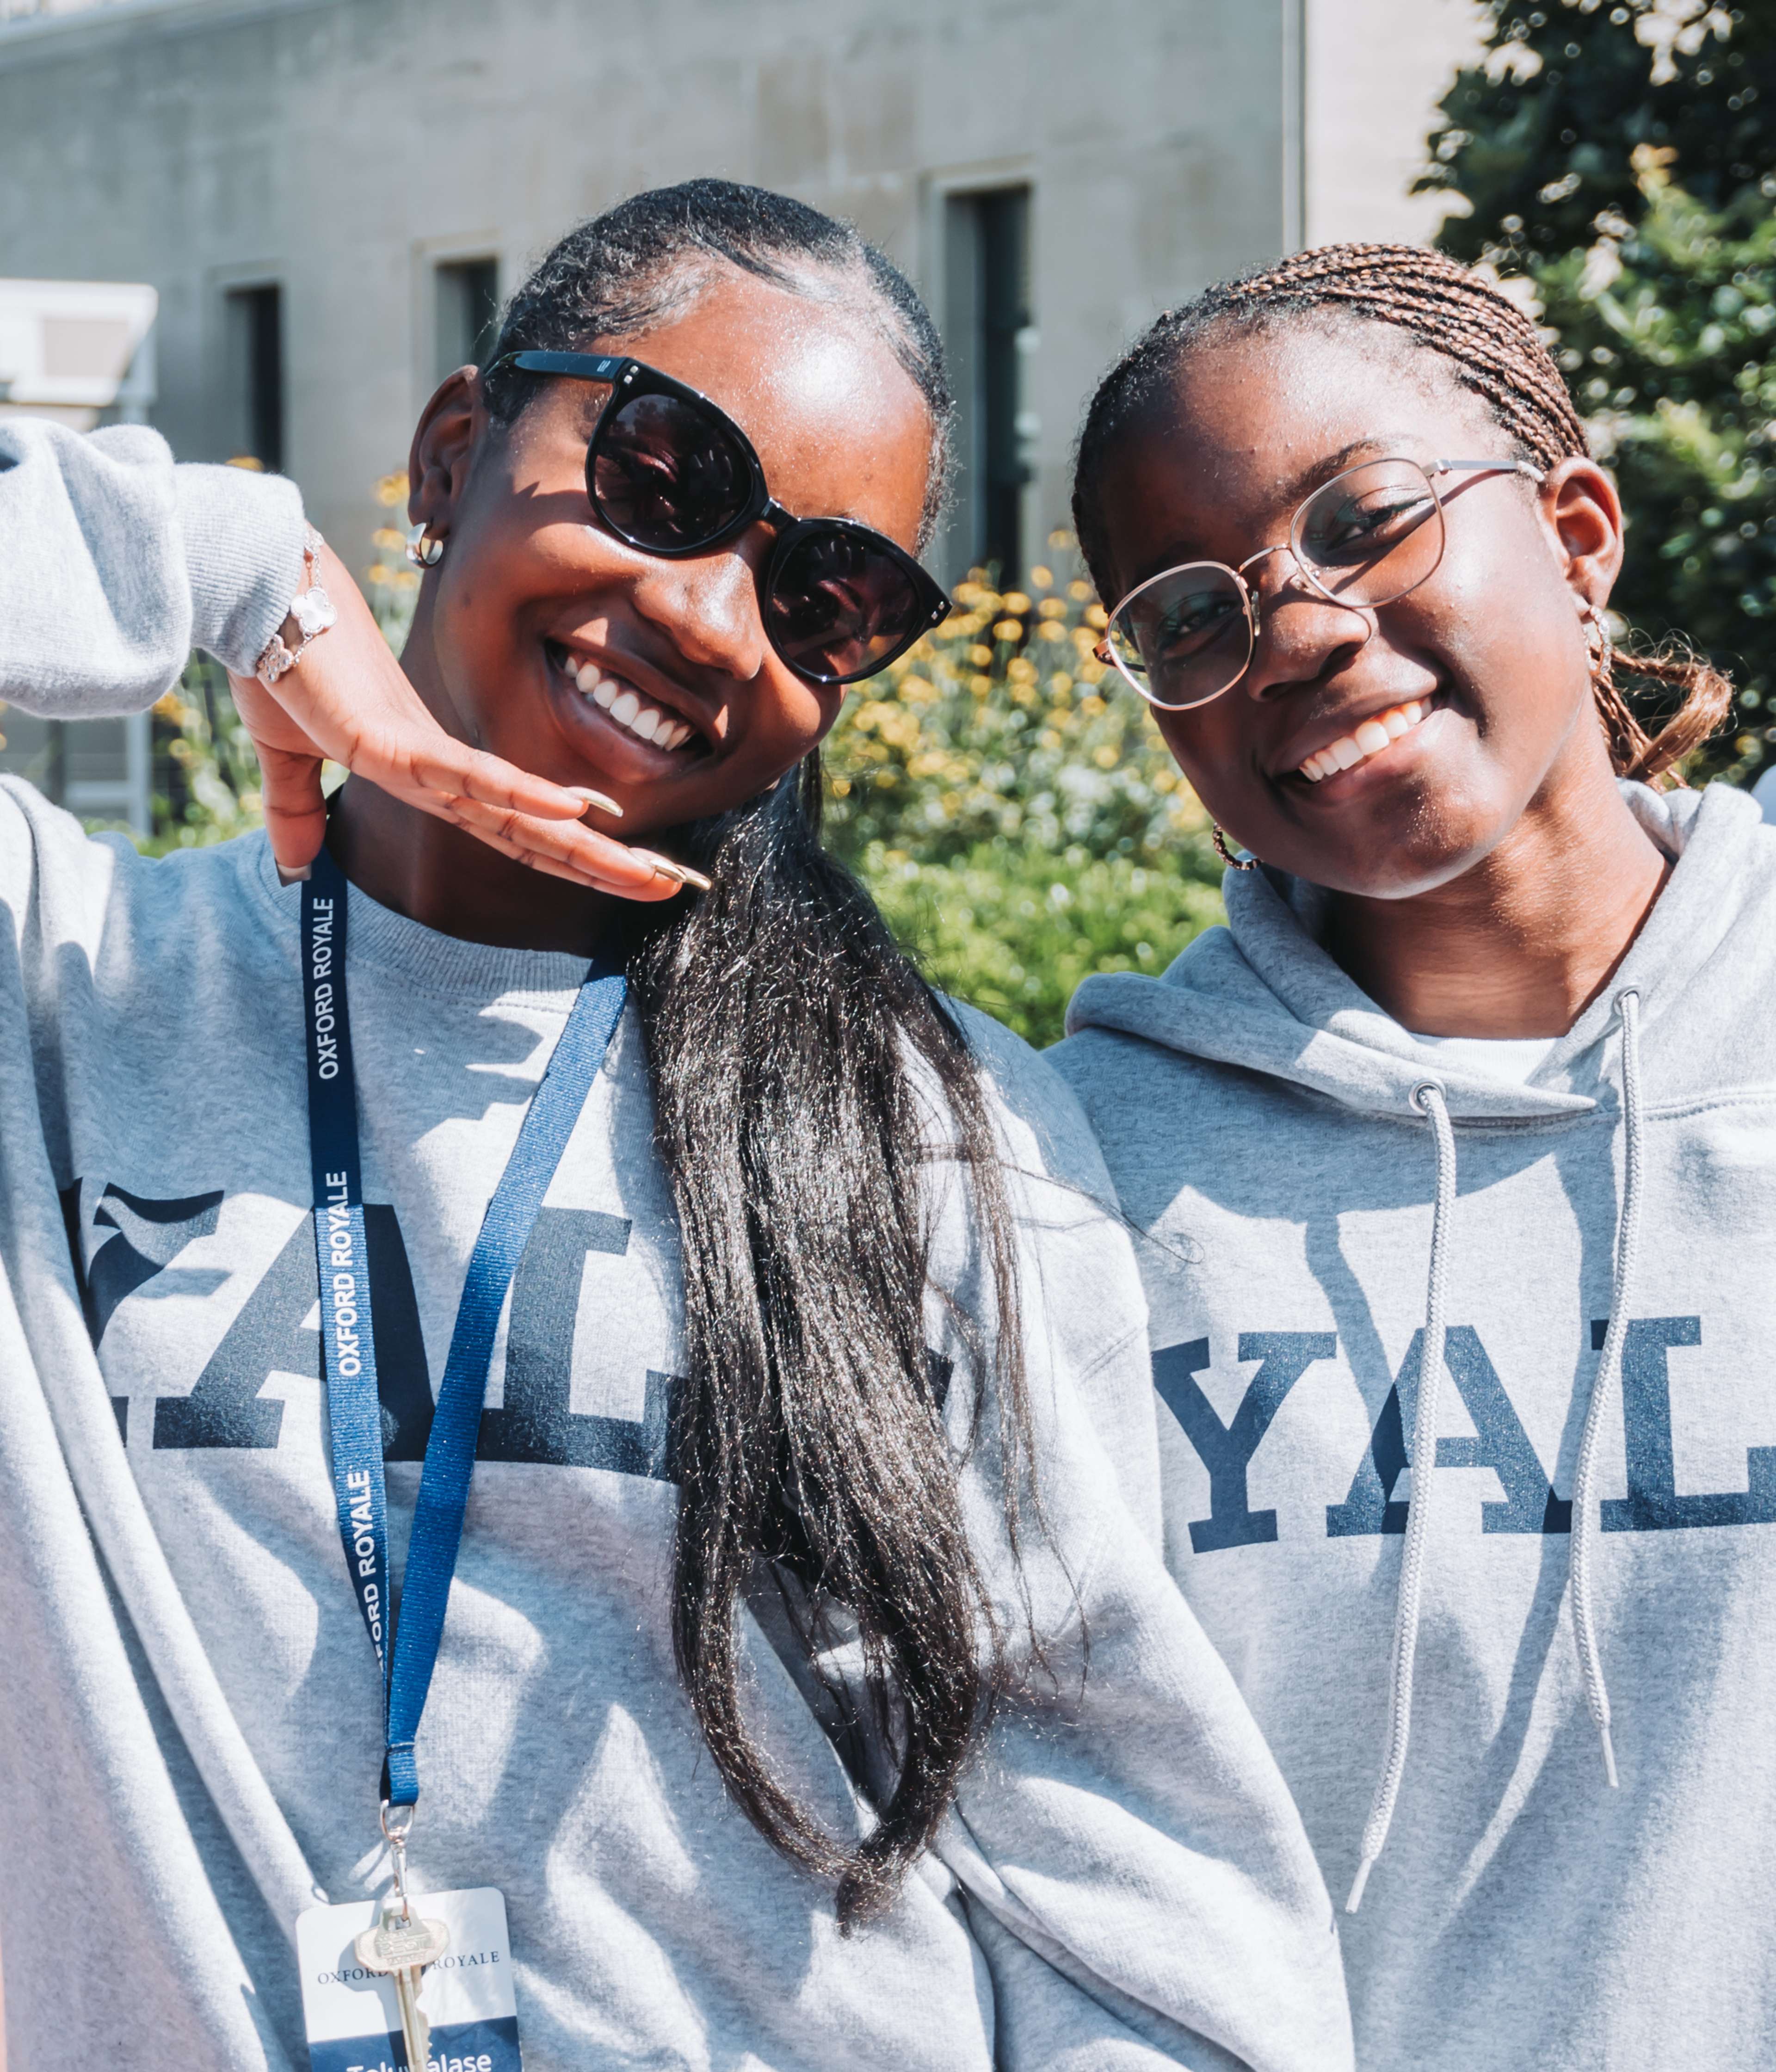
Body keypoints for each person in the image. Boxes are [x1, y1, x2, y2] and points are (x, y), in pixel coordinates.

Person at [0, 182, 1351, 2072]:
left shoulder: (925, 1134)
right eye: (659, 470)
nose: (713, 618)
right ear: (455, 450)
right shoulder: (57, 984)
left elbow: (1131, 1878)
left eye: (829, 596)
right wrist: (231, 562)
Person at [1053, 241, 1775, 2072]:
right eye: (1192, 614)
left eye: (1365, 520)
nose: (1293, 627)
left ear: (1582, 533)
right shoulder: (1080, 1187)